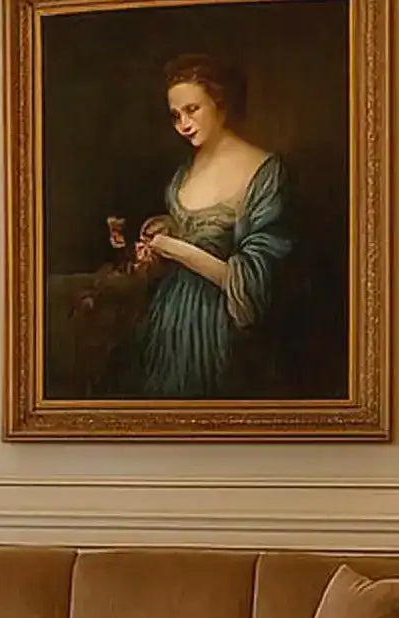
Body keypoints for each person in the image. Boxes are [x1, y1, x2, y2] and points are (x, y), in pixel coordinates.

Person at [136, 54, 292, 398]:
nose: (183, 123)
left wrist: (173, 247)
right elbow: (196, 232)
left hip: (217, 328)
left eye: (193, 109)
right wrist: (161, 240)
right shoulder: (186, 171)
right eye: (176, 115)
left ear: (220, 103)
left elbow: (253, 284)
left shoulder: (262, 169)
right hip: (170, 320)